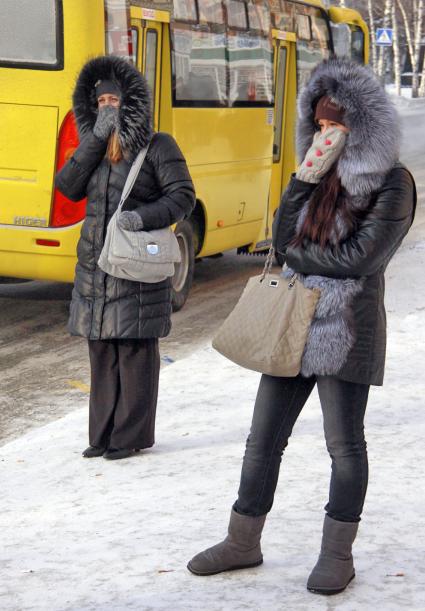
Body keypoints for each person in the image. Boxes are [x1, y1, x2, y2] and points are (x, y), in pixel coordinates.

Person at [187, 58, 416, 594]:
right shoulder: (315, 175)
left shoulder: (393, 183)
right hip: (291, 324)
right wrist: (301, 181)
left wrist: (300, 253)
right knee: (261, 440)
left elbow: (362, 258)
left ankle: (338, 554)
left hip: (346, 332)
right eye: (318, 125)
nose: (326, 134)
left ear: (360, 127)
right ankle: (243, 540)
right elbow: (280, 237)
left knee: (344, 446)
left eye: (336, 125)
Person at [56, 55, 195, 460]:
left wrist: (141, 217)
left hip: (134, 265)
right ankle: (101, 435)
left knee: (134, 350)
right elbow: (67, 187)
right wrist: (95, 140)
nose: (107, 109)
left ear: (130, 103)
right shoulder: (93, 148)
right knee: (101, 350)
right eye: (100, 103)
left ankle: (129, 436)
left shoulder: (157, 146)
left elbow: (183, 196)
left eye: (114, 101)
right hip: (96, 267)